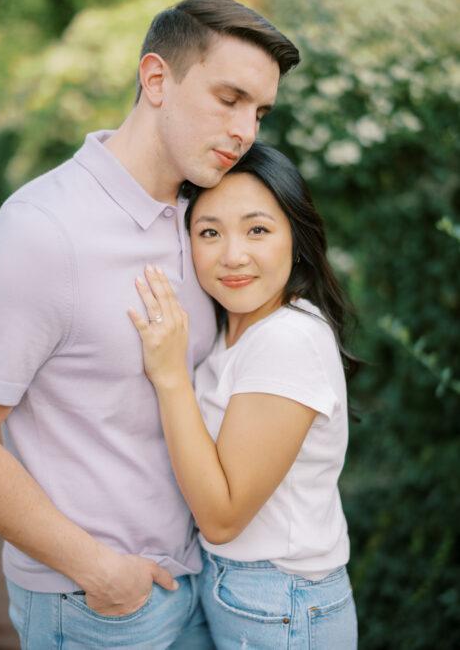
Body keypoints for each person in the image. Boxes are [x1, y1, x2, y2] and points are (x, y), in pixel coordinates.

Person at [0, 0, 299, 650]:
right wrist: (98, 571)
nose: (245, 131)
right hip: (98, 607)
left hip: (203, 587)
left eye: (258, 112)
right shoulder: (42, 234)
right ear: (155, 80)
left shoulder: (205, 221)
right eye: (228, 99)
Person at [129, 142, 359, 649]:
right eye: (209, 232)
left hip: (281, 602)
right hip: (243, 590)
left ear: (295, 238)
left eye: (258, 229)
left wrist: (169, 378)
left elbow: (223, 515)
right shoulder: (236, 331)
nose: (233, 256)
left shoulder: (286, 338)